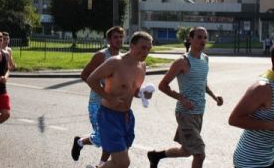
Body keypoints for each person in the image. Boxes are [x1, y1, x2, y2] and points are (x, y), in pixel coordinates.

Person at [147, 27, 223, 168]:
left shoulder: (205, 59)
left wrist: (214, 96)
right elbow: (163, 85)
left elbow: (202, 84)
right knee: (200, 154)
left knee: (187, 150)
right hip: (185, 114)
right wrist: (182, 99)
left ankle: (156, 156)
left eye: (205, 37)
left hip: (199, 113)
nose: (203, 40)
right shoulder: (182, 62)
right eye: (199, 37)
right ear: (190, 39)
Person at [86, 31, 154, 168]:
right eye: (143, 47)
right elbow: (91, 79)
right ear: (132, 46)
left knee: (118, 163)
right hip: (109, 116)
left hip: (127, 117)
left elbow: (132, 91)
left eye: (149, 48)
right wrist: (109, 97)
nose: (146, 52)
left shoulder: (142, 66)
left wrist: (142, 94)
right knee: (123, 163)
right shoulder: (115, 62)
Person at [229, 38, 274, 168]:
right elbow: (234, 119)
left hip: (269, 159)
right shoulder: (263, 87)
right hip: (248, 161)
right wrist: (273, 125)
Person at [71, 26, 124, 167]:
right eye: (115, 37)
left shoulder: (122, 58)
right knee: (102, 137)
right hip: (97, 103)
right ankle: (79, 142)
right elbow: (84, 75)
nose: (119, 40)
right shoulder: (101, 55)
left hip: (114, 105)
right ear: (109, 40)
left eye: (121, 37)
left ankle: (100, 166)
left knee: (110, 138)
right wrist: (103, 91)